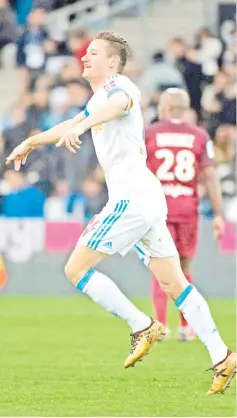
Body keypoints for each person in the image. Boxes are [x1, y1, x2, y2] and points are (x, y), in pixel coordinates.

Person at [6, 31, 236, 394]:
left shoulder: (121, 87)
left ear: (112, 61)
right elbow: (76, 121)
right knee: (174, 282)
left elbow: (114, 105)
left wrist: (82, 125)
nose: (84, 58)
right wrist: (33, 141)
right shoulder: (98, 100)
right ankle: (222, 355)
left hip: (130, 200)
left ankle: (142, 324)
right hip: (146, 199)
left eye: (93, 53)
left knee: (76, 268)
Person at [145, 88, 224, 341]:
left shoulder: (151, 134)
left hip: (158, 210)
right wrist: (219, 214)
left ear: (166, 107)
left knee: (160, 268)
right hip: (187, 211)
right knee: (184, 268)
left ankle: (161, 324)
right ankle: (185, 326)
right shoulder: (199, 135)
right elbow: (210, 175)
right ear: (185, 108)